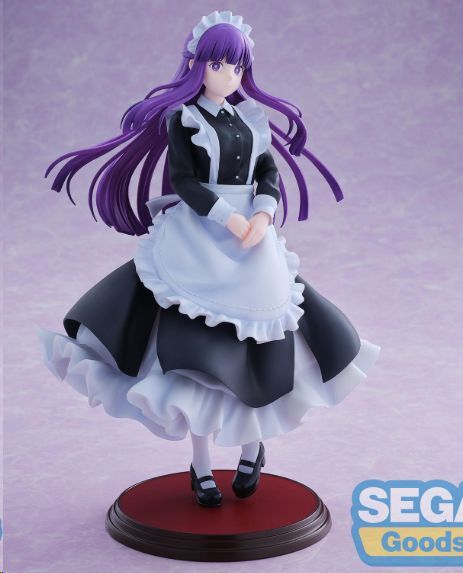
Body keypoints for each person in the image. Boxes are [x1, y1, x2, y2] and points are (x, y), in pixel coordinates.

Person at [39, 10, 380, 508]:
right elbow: (183, 181)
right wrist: (228, 217)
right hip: (201, 235)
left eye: (238, 67)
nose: (229, 75)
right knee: (193, 357)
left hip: (252, 243)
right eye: (219, 65)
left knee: (263, 341)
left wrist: (262, 213)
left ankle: (251, 448)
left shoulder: (249, 120)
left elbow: (268, 171)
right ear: (197, 65)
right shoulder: (185, 119)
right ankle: (200, 464)